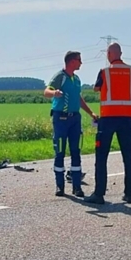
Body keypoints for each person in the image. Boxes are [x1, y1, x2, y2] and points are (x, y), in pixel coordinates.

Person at [84, 43, 131, 205]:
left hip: (108, 118)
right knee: (128, 157)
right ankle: (129, 194)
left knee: (101, 157)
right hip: (127, 119)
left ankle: (99, 194)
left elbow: (96, 89)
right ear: (121, 53)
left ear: (109, 54)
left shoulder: (104, 72)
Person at [44, 51, 99, 197]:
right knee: (60, 151)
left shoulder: (77, 79)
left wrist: (91, 113)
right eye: (79, 60)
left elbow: (78, 98)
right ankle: (60, 186)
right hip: (61, 119)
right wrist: (54, 93)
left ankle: (77, 187)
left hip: (75, 119)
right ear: (71, 61)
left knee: (76, 151)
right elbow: (46, 91)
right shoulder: (60, 76)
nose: (81, 63)